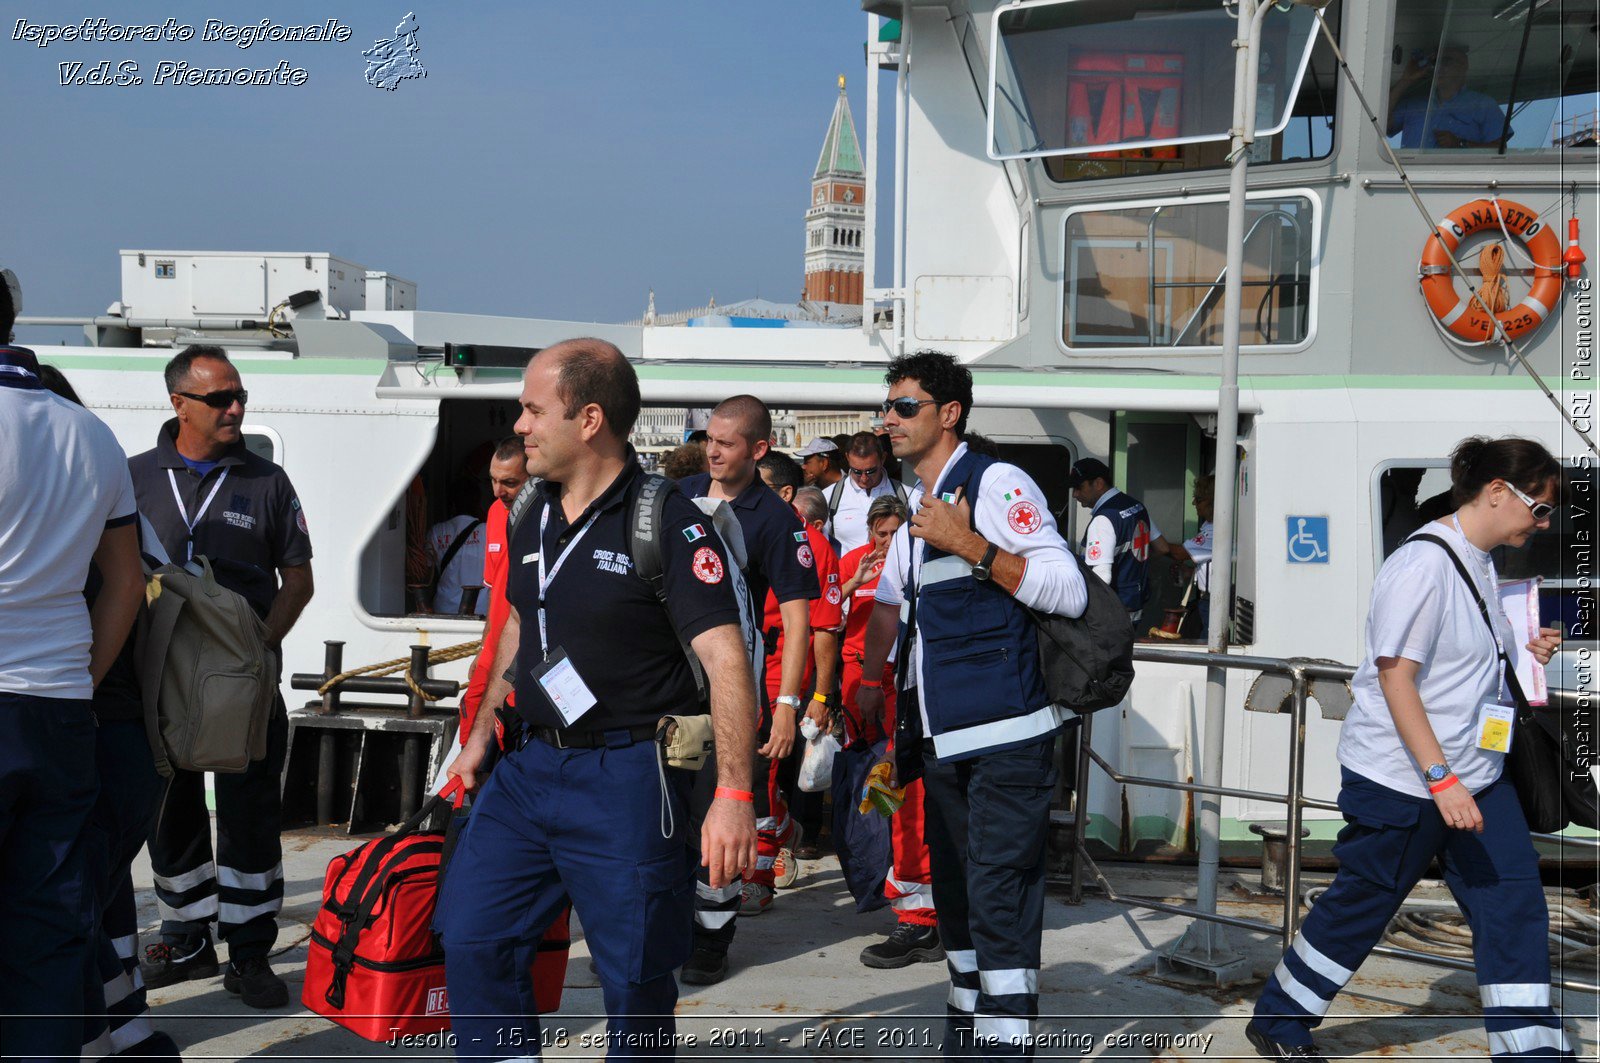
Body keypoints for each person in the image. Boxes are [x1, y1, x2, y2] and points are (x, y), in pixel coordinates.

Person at [435, 338, 758, 1060]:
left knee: (636, 979)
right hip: (527, 771)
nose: (519, 425)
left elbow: (726, 659)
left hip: (630, 778)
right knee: (473, 934)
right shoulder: (529, 512)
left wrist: (735, 793)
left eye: (531, 409)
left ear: (588, 419)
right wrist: (482, 733)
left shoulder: (666, 522)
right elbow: (521, 628)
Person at [1248, 436, 1572, 1063]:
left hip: (1476, 774)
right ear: (1498, 493)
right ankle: (1280, 1019)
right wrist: (1439, 779)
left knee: (1514, 902)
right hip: (1407, 779)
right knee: (1366, 901)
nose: (1545, 521)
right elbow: (1397, 677)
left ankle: (1531, 1049)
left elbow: (1464, 659)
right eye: (1540, 508)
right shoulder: (1422, 566)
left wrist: (1525, 653)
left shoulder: (1478, 560)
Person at [856, 350, 1087, 1058]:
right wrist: (870, 689)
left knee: (999, 902)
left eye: (904, 407)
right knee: (956, 902)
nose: (887, 419)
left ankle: (1003, 1046)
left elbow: (1067, 588)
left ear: (948, 413)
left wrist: (974, 546)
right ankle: (967, 1037)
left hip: (1005, 744)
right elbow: (896, 613)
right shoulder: (920, 506)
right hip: (943, 747)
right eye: (885, 406)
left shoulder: (994, 484)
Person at [131, 345, 314, 1009]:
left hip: (244, 683)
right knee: (168, 813)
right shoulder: (134, 478)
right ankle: (186, 935)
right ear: (178, 402)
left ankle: (250, 950)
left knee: (249, 817)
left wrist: (261, 650)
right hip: (160, 681)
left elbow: (300, 580)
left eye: (239, 397)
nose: (235, 408)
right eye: (219, 399)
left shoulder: (267, 483)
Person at [0, 274, 147, 1060]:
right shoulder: (89, 433)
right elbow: (127, 580)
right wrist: (80, 682)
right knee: (50, 926)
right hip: (58, 708)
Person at [37, 365, 184, 1062]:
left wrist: (77, 691)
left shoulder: (52, 540)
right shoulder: (115, 515)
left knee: (55, 914)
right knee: (95, 905)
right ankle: (128, 1031)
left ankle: (119, 1040)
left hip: (85, 736)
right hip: (134, 748)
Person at [678, 396, 819, 983]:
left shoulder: (776, 519)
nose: (712, 451)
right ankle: (665, 928)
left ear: (758, 449)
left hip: (729, 696)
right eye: (709, 439)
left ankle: (712, 938)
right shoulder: (679, 496)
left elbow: (799, 620)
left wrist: (787, 706)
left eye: (727, 443)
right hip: (666, 692)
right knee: (665, 822)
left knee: (724, 818)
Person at [838, 493, 943, 969]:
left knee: (915, 805)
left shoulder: (938, 554)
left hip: (925, 698)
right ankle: (914, 912)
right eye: (880, 533)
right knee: (885, 803)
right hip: (880, 697)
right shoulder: (854, 564)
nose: (887, 541)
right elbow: (829, 620)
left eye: (895, 532)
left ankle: (925, 918)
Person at [459, 437, 532, 740]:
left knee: (505, 732)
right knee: (472, 714)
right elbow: (494, 591)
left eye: (510, 483)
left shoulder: (550, 516)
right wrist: (483, 647)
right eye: (493, 480)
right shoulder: (495, 512)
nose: (498, 491)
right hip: (496, 647)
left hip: (524, 652)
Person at [1067, 457, 1187, 624]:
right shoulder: (1136, 506)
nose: (1075, 494)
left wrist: (1084, 615)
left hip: (1110, 614)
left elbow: (1102, 577)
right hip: (1135, 606)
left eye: (1079, 487)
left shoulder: (1103, 520)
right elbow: (1162, 548)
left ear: (1099, 483)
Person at [1388, 45, 1507, 150]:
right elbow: (1380, 124)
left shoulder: (1483, 104)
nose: (1439, 68)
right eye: (1435, 63)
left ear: (1463, 66)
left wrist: (1460, 143)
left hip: (1459, 175)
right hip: (1410, 175)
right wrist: (1405, 81)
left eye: (1446, 62)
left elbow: (1499, 149)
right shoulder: (1413, 105)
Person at [828, 430, 909, 556]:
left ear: (883, 459)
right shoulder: (829, 497)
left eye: (871, 471)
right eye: (857, 471)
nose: (864, 478)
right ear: (848, 458)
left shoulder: (909, 496)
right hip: (848, 574)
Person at [427, 480, 490, 615]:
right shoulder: (489, 530)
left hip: (444, 608)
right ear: (478, 502)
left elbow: (427, 574)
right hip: (479, 609)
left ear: (452, 503)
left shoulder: (437, 531)